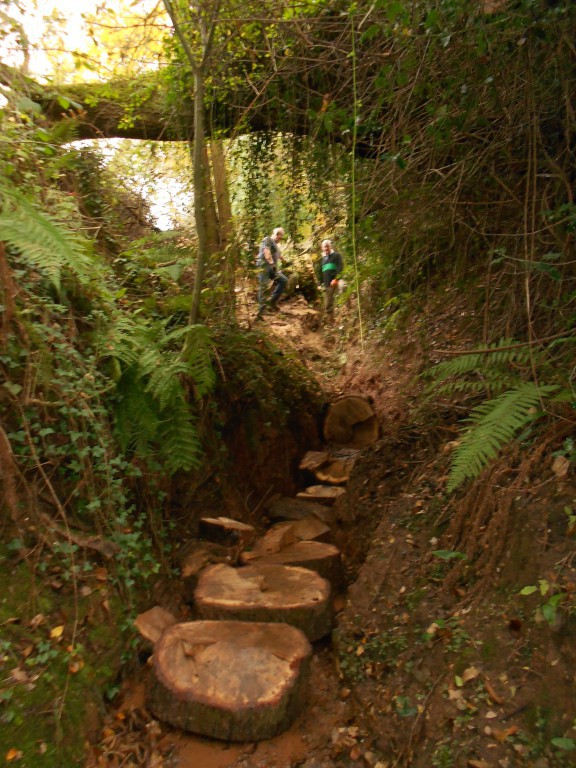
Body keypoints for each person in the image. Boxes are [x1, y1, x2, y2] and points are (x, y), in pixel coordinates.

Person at [256, 227, 288, 318]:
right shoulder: (267, 240)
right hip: (264, 266)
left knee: (283, 280)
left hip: (272, 267)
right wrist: (271, 263)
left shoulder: (276, 245)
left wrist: (285, 261)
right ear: (275, 234)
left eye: (281, 237)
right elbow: (266, 251)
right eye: (279, 237)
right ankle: (262, 310)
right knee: (263, 286)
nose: (280, 239)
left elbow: (278, 255)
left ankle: (272, 302)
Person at [319, 239, 343, 321]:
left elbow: (340, 268)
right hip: (327, 284)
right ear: (322, 248)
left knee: (343, 287)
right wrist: (320, 284)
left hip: (337, 281)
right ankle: (331, 321)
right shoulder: (323, 259)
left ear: (330, 246)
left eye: (327, 246)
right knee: (328, 304)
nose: (326, 248)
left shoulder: (337, 255)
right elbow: (321, 272)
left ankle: (346, 311)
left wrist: (336, 279)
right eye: (324, 247)